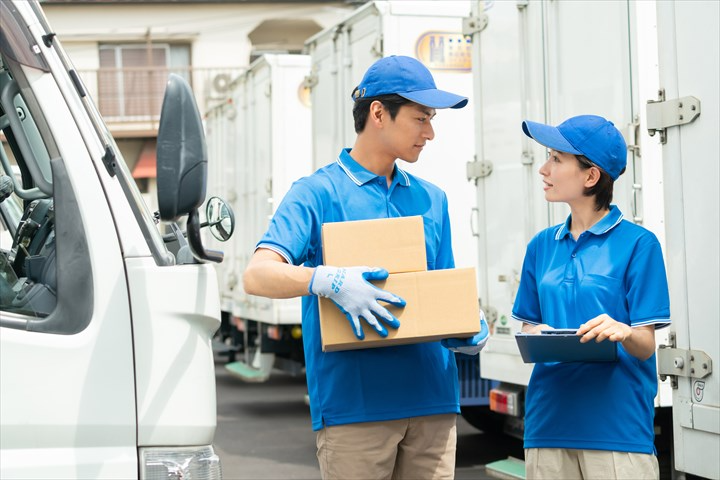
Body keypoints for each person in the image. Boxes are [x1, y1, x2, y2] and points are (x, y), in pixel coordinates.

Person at [243, 55, 489, 480]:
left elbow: (443, 292)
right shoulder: (316, 194)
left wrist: (468, 325)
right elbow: (258, 275)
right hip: (354, 410)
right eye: (420, 119)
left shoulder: (433, 199)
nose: (430, 133)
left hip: (433, 406)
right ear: (378, 113)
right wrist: (325, 279)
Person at [512, 115, 671, 479]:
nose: (543, 168)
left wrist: (623, 331)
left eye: (556, 158)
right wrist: (536, 335)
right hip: (547, 426)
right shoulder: (541, 246)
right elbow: (528, 325)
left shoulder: (638, 245)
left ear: (590, 176)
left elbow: (645, 345)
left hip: (617, 431)